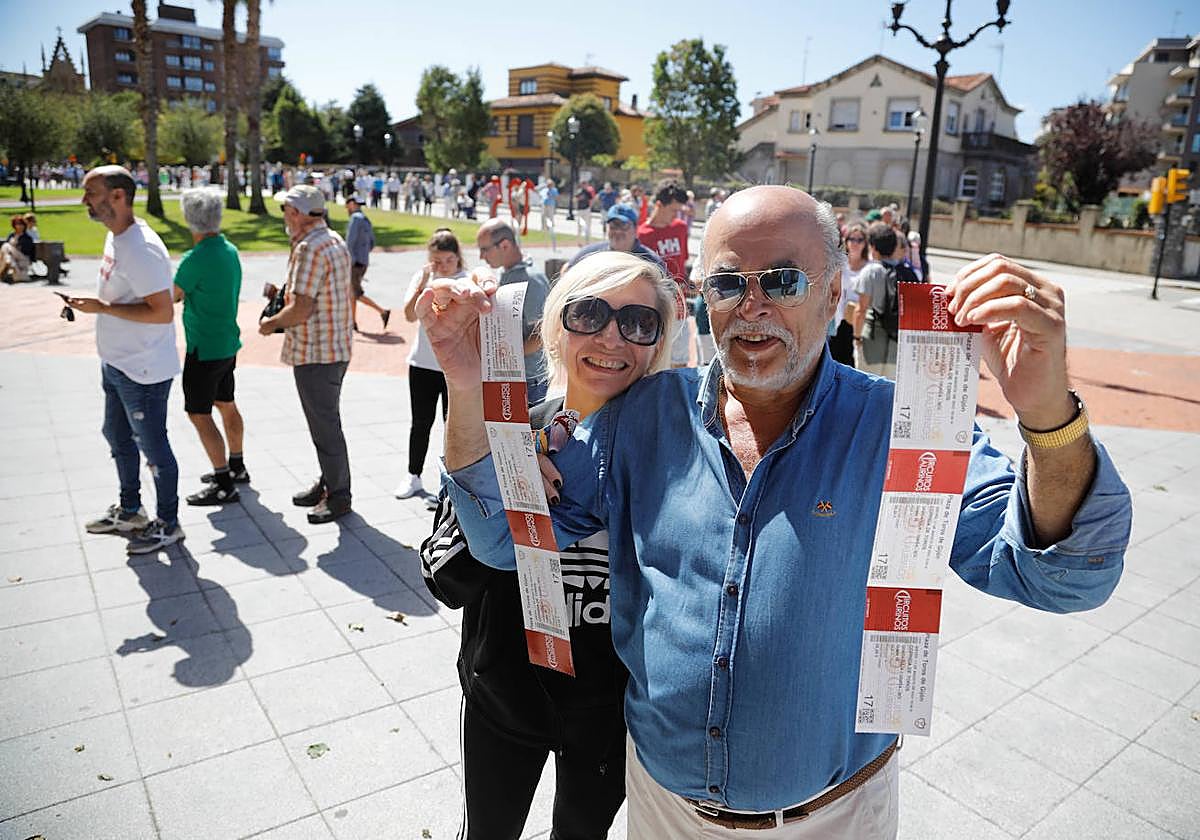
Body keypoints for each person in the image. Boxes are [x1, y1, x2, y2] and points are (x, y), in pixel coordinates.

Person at [424, 184, 1132, 837]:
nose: (752, 305)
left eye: (783, 281)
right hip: (664, 809)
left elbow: (1062, 576)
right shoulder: (640, 420)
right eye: (729, 283)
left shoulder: (901, 430)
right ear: (704, 299)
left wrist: (1047, 416)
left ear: (832, 296)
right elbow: (496, 540)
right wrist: (463, 378)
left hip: (829, 817)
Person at [421, 249, 677, 840]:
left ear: (658, 341)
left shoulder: (674, 452)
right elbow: (450, 573)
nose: (613, 336)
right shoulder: (509, 425)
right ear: (558, 325)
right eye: (589, 313)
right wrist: (494, 444)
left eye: (638, 322)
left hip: (608, 708)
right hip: (506, 691)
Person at [67, 166, 184, 554]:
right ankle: (131, 510)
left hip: (143, 370)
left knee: (154, 449)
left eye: (91, 193)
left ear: (118, 196)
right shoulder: (117, 237)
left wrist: (102, 307)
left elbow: (162, 312)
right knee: (116, 436)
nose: (85, 200)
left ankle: (168, 523)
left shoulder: (142, 249)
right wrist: (99, 307)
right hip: (117, 363)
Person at [260, 184, 355, 524]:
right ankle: (330, 483)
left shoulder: (309, 248)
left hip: (317, 352)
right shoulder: (332, 240)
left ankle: (339, 495)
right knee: (325, 423)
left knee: (325, 427)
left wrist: (270, 324)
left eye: (286, 210)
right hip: (335, 347)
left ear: (297, 213)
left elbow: (301, 309)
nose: (284, 217)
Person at [171, 188, 249, 505]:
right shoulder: (229, 249)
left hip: (203, 347)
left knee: (198, 413)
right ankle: (237, 465)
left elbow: (173, 295)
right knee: (226, 403)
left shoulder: (195, 258)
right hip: (227, 342)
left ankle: (223, 481)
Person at [394, 229, 466, 501]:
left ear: (457, 258)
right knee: (420, 422)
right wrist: (424, 282)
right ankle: (413, 475)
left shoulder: (466, 281)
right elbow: (409, 315)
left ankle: (449, 483)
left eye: (447, 260)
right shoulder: (424, 279)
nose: (442, 266)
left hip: (454, 366)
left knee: (454, 427)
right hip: (422, 364)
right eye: (436, 261)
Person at [475, 218, 550, 404]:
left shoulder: (531, 279)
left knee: (526, 433)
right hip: (510, 376)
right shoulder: (510, 273)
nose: (481, 256)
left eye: (484, 249)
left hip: (528, 381)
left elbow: (542, 335)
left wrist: (501, 356)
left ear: (505, 245)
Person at [854, 222, 919, 378]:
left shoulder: (870, 271)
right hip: (897, 341)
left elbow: (861, 309)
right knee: (890, 388)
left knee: (867, 385)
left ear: (873, 247)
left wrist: (856, 337)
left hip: (872, 338)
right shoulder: (908, 273)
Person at [638, 180, 692, 368]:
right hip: (654, 310)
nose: (676, 215)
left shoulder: (680, 228)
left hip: (678, 308)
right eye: (673, 210)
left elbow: (682, 264)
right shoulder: (642, 235)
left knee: (679, 364)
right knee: (652, 364)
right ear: (659, 205)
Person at [567, 204, 666, 273]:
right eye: (614, 225)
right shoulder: (590, 254)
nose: (618, 231)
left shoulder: (652, 262)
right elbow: (567, 270)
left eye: (624, 226)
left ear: (636, 229)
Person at [344, 194, 390, 332]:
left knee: (356, 293)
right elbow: (372, 243)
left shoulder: (355, 219)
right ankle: (352, 322)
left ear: (352, 204)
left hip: (354, 262)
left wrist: (349, 260)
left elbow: (349, 242)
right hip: (363, 261)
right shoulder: (365, 220)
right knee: (352, 292)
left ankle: (382, 311)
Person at [829, 222, 868, 367]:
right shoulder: (841, 265)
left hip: (859, 321)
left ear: (865, 243)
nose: (855, 243)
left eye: (860, 240)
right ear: (846, 241)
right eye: (852, 239)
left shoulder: (869, 267)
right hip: (839, 320)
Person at [0, 215, 35, 283]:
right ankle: (10, 263)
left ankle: (9, 263)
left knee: (6, 246)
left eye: (21, 224)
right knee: (7, 251)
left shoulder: (27, 237)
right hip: (13, 258)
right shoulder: (11, 235)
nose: (19, 226)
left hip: (23, 257)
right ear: (14, 225)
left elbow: (27, 251)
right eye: (17, 224)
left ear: (24, 225)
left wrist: (17, 245)